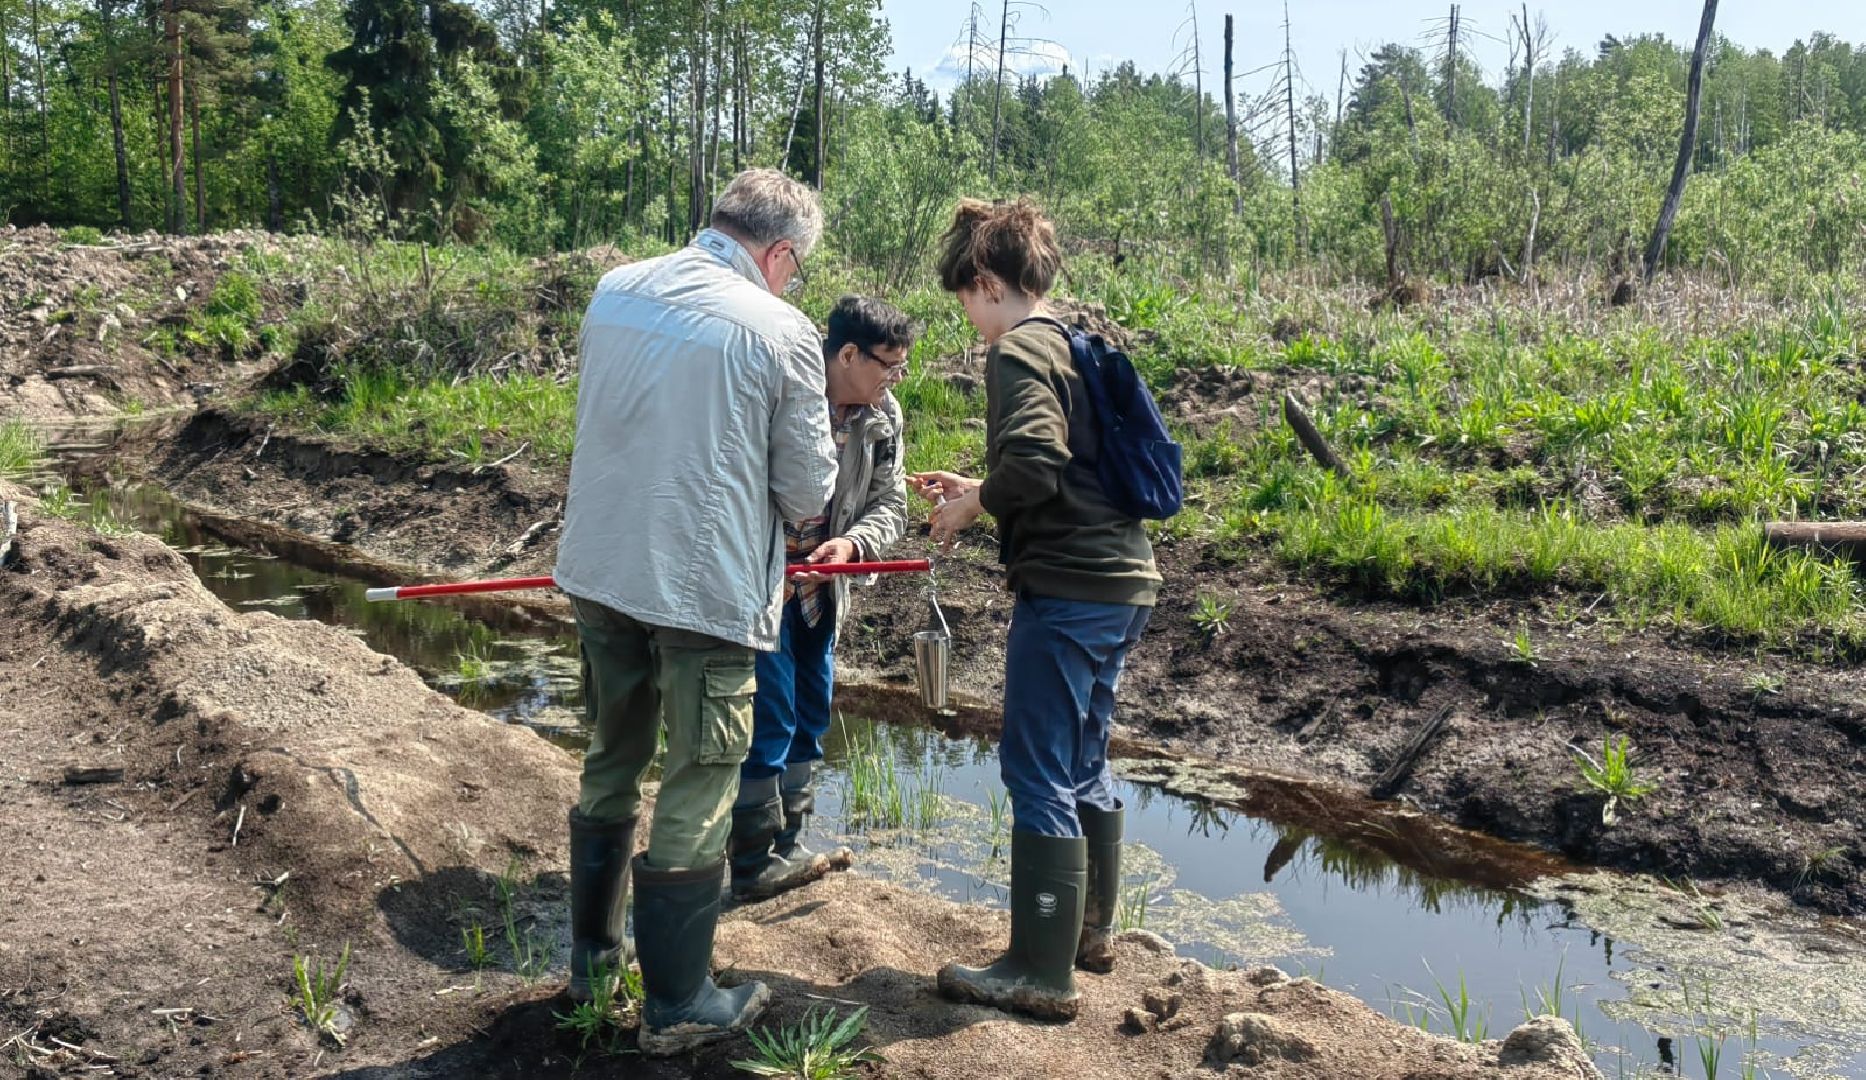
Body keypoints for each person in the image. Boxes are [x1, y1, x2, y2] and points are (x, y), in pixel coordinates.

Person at [553, 168, 836, 1056]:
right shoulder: (782, 330)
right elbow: (807, 489)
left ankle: (594, 962)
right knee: (701, 775)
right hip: (702, 591)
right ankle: (678, 1003)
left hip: (600, 571)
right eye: (796, 267)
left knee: (612, 753)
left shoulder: (617, 286)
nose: (793, 283)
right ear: (779, 252)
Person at [909, 197, 1161, 1022]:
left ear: (986, 282)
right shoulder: (1081, 340)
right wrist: (983, 488)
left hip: (1071, 587)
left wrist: (976, 502)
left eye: (967, 304)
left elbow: (1039, 463)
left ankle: (1038, 970)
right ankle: (1088, 935)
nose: (973, 323)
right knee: (1084, 761)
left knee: (1036, 769)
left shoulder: (1019, 350)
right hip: (1124, 583)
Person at [730, 296, 914, 903]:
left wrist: (854, 545)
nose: (894, 378)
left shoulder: (883, 418)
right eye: (887, 364)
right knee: (771, 716)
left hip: (822, 596)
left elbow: (891, 503)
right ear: (848, 353)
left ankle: (790, 843)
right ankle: (753, 858)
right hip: (763, 589)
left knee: (812, 713)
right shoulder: (780, 391)